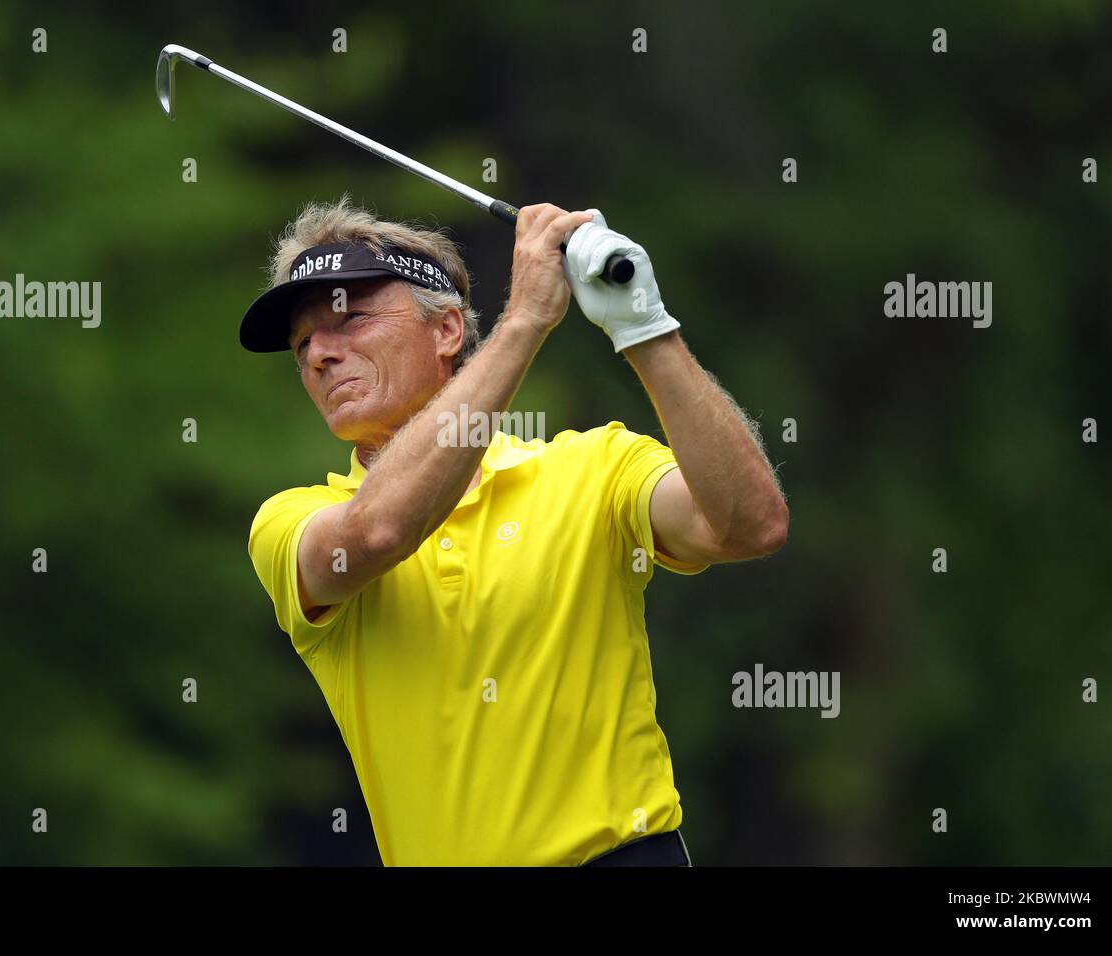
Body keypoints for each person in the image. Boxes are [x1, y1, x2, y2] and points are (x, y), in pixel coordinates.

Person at [245, 194, 788, 865]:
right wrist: (526, 320)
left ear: (446, 331)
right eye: (301, 346)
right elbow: (379, 533)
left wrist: (646, 328)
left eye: (348, 321)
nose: (319, 355)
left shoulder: (591, 466)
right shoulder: (289, 521)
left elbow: (750, 524)